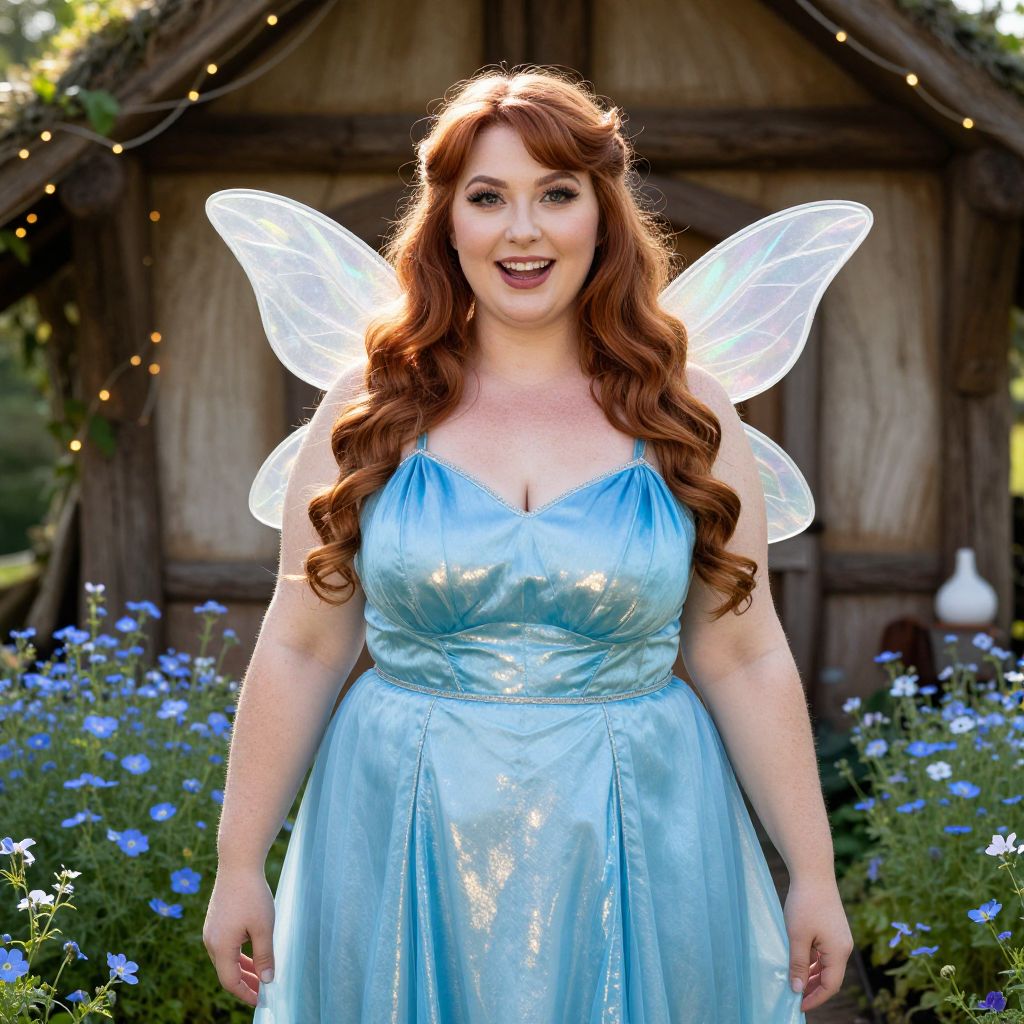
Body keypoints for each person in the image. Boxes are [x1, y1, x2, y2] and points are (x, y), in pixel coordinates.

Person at [202, 66, 854, 1022]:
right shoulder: (368, 407)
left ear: (601, 214)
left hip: (638, 829)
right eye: (488, 198)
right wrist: (237, 863)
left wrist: (813, 872)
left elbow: (744, 656)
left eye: (556, 194)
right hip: (399, 824)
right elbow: (303, 645)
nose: (523, 231)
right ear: (446, 222)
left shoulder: (686, 410)